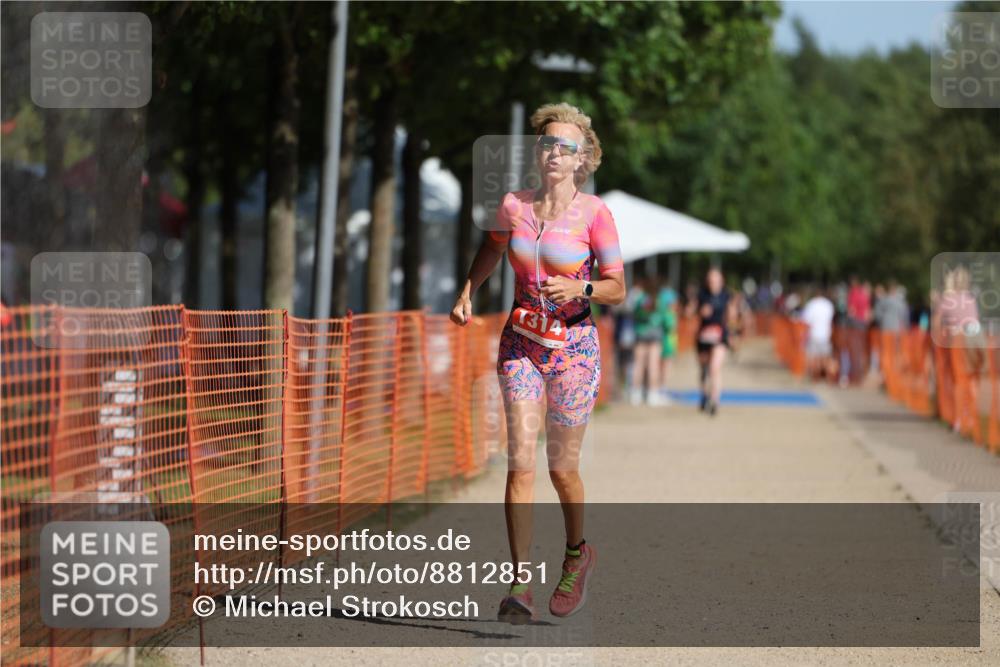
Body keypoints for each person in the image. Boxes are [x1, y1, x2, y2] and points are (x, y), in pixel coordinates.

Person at [450, 102, 625, 623]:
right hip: (522, 343)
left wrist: (582, 285)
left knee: (561, 468)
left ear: (581, 159)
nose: (553, 152)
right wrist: (467, 291)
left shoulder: (595, 214)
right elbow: (492, 248)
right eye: (547, 143)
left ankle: (577, 555)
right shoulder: (514, 206)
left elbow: (618, 287)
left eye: (565, 146)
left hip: (574, 348)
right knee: (520, 463)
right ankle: (520, 584)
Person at [695, 268, 730, 416]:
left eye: (715, 279)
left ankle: (715, 401)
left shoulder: (726, 295)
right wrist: (700, 311)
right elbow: (693, 311)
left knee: (715, 368)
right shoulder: (702, 294)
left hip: (720, 336)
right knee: (704, 369)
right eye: (710, 280)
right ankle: (704, 395)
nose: (713, 283)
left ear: (721, 281)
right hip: (704, 336)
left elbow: (732, 314)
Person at [630, 276, 666, 406]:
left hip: (641, 332)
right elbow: (664, 317)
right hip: (655, 333)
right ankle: (653, 394)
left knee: (638, 364)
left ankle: (635, 393)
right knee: (653, 364)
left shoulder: (641, 298)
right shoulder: (660, 300)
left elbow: (635, 313)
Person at [801, 287, 836, 381]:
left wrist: (804, 335)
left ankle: (815, 377)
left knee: (814, 357)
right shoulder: (828, 305)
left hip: (814, 334)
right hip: (826, 334)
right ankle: (829, 377)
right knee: (825, 357)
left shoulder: (811, 304)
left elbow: (806, 321)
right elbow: (831, 320)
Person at [656, 280, 679, 402]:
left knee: (665, 364)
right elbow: (671, 327)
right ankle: (661, 388)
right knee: (665, 364)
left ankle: (661, 388)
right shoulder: (668, 314)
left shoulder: (666, 311)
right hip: (667, 340)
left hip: (669, 339)